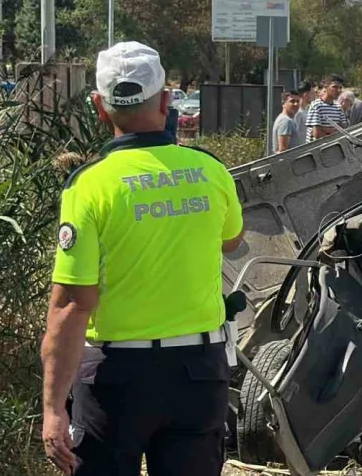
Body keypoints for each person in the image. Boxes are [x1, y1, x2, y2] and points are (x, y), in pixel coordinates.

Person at [41, 41, 244, 476]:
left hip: (117, 379)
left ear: (99, 105)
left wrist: (54, 408)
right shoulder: (211, 170)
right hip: (200, 374)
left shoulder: (89, 187)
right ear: (167, 100)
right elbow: (232, 240)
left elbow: (72, 303)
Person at [305, 75, 347, 143]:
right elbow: (317, 134)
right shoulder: (316, 105)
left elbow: (343, 130)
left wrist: (325, 129)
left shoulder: (338, 107)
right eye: (335, 87)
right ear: (326, 87)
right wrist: (334, 131)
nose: (338, 90)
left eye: (340, 88)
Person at [291, 81, 314, 148]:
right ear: (306, 94)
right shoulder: (298, 113)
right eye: (312, 93)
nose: (313, 96)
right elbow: (295, 134)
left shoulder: (307, 110)